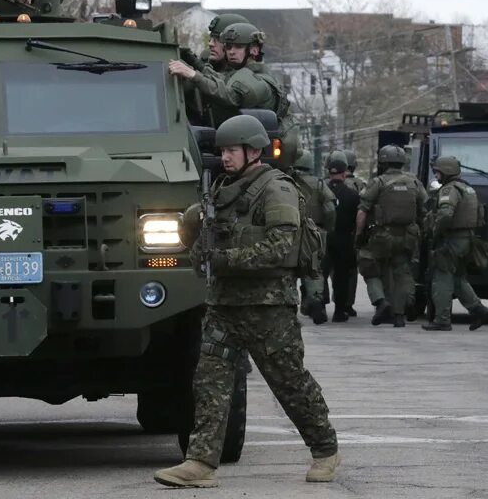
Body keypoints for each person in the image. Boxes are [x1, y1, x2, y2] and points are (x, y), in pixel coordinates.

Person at [154, 115, 338, 488]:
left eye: (231, 150)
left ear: (253, 151)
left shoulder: (276, 189)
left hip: (267, 307)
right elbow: (204, 238)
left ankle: (325, 449)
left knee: (289, 381)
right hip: (223, 305)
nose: (225, 157)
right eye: (222, 150)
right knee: (210, 383)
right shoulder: (220, 190)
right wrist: (200, 252)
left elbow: (281, 247)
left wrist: (225, 261)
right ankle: (201, 463)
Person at [355, 145, 427, 327]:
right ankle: (399, 315)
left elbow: (362, 212)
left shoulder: (377, 182)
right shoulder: (415, 183)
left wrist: (358, 234)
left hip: (382, 236)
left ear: (383, 162)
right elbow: (424, 209)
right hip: (408, 236)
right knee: (401, 272)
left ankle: (381, 302)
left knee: (369, 266)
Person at [423, 155, 488, 331]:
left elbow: (446, 214)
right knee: (457, 278)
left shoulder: (449, 190)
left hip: (452, 239)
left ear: (446, 171)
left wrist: (435, 231)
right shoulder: (468, 189)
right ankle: (479, 309)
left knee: (442, 276)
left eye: (438, 172)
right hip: (467, 239)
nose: (436, 175)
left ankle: (442, 319)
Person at [169, 22, 285, 127]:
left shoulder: (260, 81)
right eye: (228, 47)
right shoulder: (241, 74)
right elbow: (222, 81)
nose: (231, 51)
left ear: (254, 50)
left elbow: (230, 95)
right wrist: (195, 62)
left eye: (238, 46)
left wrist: (193, 74)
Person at [290, 150, 337, 325]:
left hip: (290, 231)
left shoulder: (286, 182)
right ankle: (317, 300)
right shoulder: (319, 184)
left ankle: (289, 309)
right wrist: (327, 228)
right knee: (314, 269)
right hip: (314, 231)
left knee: (288, 270)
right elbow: (331, 209)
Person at [324, 152, 361, 321]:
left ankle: (318, 307)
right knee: (342, 276)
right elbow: (358, 217)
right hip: (344, 239)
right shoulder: (352, 195)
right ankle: (340, 310)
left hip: (323, 238)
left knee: (320, 274)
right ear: (345, 173)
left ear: (328, 172)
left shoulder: (321, 191)